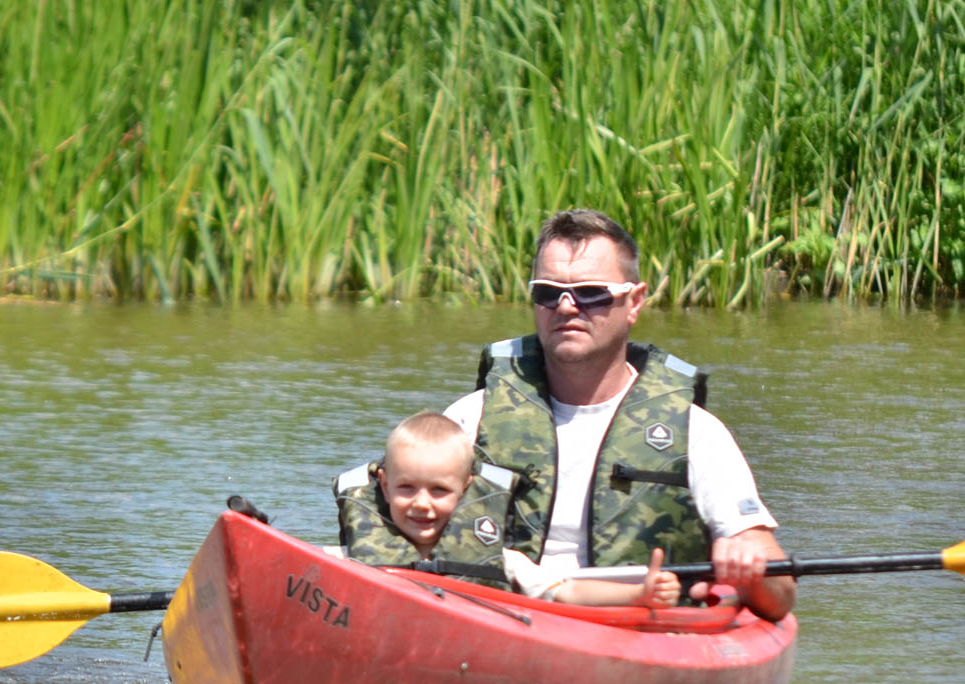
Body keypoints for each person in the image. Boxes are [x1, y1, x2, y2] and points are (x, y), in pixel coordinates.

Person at [441, 207, 794, 621]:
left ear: (635, 302)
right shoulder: (471, 418)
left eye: (591, 292)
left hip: (637, 628)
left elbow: (780, 598)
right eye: (548, 292)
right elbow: (400, 527)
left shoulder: (696, 432)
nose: (566, 307)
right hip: (499, 616)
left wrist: (748, 561)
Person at [336, 412, 681, 607]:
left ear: (466, 490)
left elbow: (568, 592)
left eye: (439, 491)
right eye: (406, 488)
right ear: (384, 486)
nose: (422, 504)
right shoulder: (351, 557)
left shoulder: (505, 560)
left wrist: (639, 593)